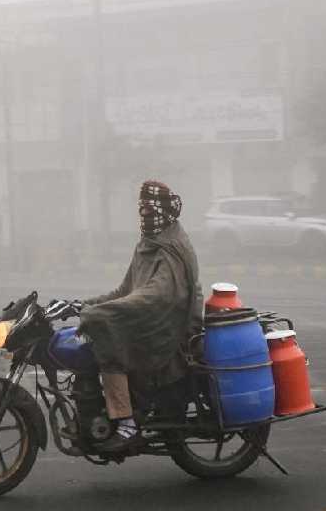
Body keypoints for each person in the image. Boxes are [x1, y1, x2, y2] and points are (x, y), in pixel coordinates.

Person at [79, 180, 203, 452]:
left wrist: (106, 312)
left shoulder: (172, 247)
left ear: (165, 212)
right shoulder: (148, 243)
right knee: (95, 338)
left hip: (169, 329)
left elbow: (157, 295)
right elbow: (126, 289)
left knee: (110, 349)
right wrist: (82, 304)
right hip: (152, 319)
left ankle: (127, 426)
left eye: (150, 212)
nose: (145, 218)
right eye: (142, 212)